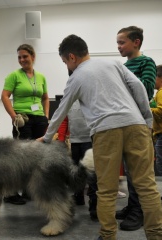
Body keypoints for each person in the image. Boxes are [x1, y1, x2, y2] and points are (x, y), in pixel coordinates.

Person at [36, 34, 162, 240]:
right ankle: (156, 236)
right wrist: (146, 120)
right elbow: (139, 87)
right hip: (136, 126)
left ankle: (107, 235)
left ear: (71, 57)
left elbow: (60, 112)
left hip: (106, 131)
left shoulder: (76, 77)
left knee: (107, 190)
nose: (67, 65)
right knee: (147, 187)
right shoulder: (113, 64)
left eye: (65, 62)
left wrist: (48, 138)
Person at [116, 26, 157, 231]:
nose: (118, 46)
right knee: (129, 168)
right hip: (125, 123)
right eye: (118, 43)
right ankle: (132, 205)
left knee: (138, 172)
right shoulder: (124, 66)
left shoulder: (146, 62)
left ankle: (139, 211)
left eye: (122, 42)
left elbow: (147, 89)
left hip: (139, 123)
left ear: (136, 42)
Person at [1, 43, 49, 205]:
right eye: (19, 57)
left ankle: (29, 191)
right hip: (23, 120)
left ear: (33, 57)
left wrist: (46, 116)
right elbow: (5, 96)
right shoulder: (14, 76)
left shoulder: (41, 77)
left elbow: (45, 98)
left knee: (37, 157)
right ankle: (10, 192)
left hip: (39, 119)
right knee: (20, 157)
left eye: (25, 56)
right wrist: (14, 116)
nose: (22, 60)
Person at [57, 99, 98, 221]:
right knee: (75, 171)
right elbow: (64, 120)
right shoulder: (68, 98)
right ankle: (78, 196)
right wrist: (60, 139)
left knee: (91, 175)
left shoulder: (90, 97)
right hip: (74, 141)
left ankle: (94, 206)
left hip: (90, 140)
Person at [151, 65, 162, 176]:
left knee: (160, 163)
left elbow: (161, 110)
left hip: (161, 134)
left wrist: (148, 109)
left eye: (154, 77)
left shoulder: (160, 92)